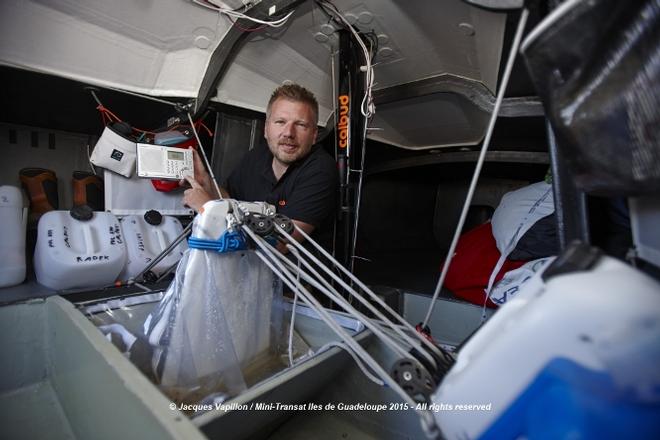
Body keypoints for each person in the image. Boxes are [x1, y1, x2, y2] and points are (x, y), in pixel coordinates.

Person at [182, 83, 338, 252]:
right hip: (246, 269)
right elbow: (231, 199)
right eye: (280, 122)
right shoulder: (257, 156)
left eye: (300, 125)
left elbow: (279, 244)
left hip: (293, 275)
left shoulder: (321, 171)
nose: (288, 133)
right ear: (265, 129)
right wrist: (206, 183)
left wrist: (208, 208)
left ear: (314, 135)